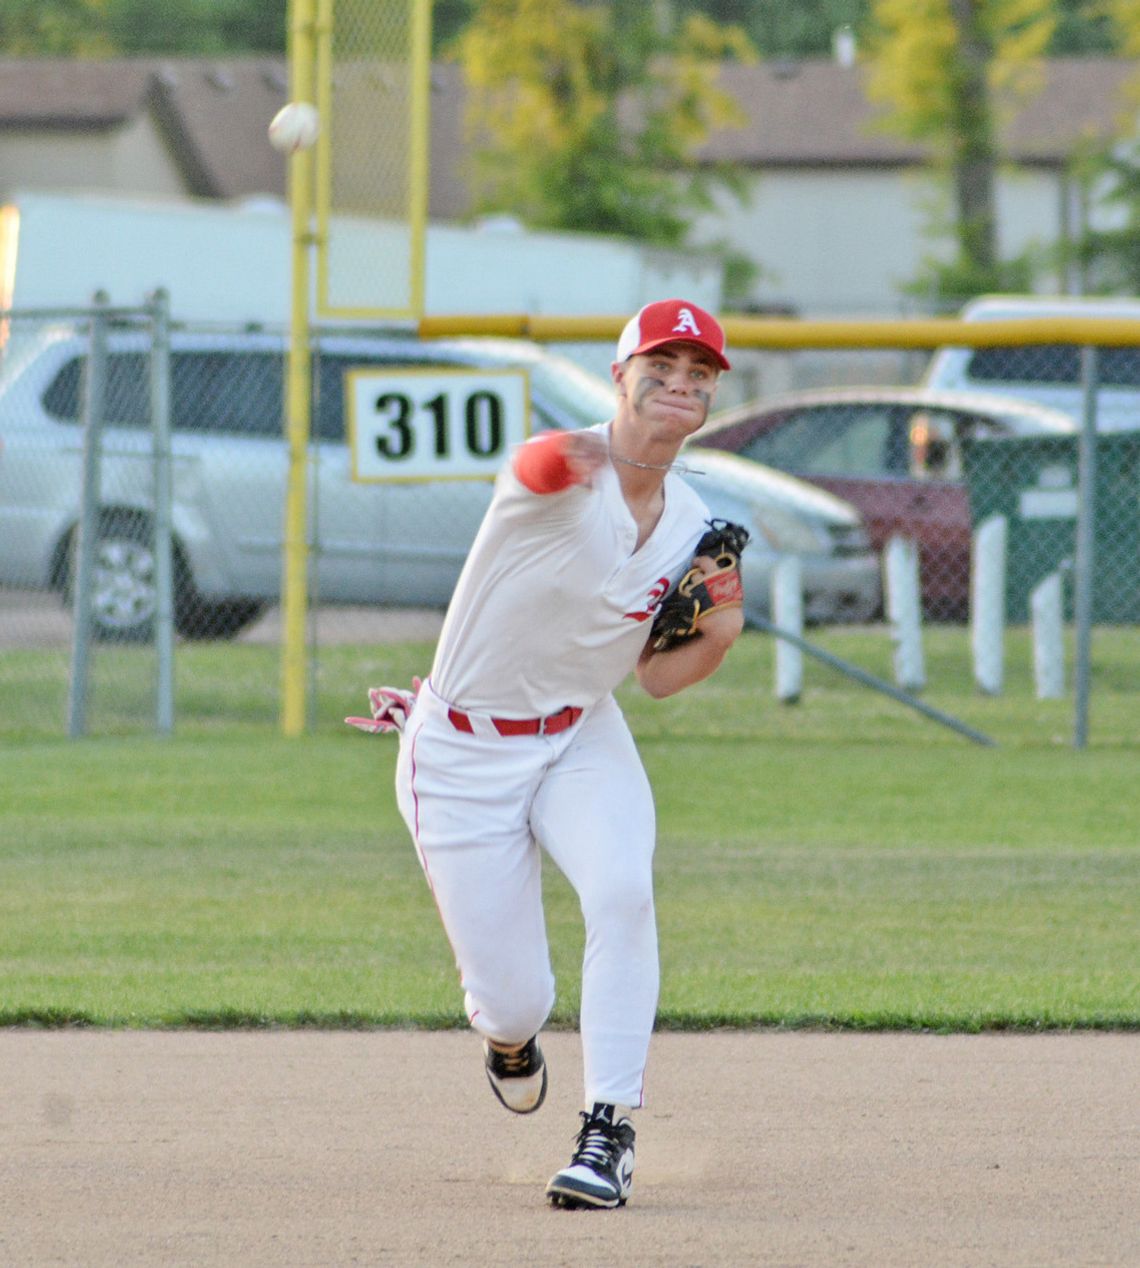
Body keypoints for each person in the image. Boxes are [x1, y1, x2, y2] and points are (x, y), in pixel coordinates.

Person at [353, 298, 744, 1210]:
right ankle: (507, 1037)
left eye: (698, 372)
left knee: (622, 890)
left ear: (713, 393)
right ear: (621, 376)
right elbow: (532, 467)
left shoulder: (690, 520)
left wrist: (720, 635)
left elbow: (654, 678)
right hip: (460, 753)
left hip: (579, 730)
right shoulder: (557, 475)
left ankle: (608, 1132)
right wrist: (570, 454)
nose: (679, 382)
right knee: (516, 1000)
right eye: (661, 365)